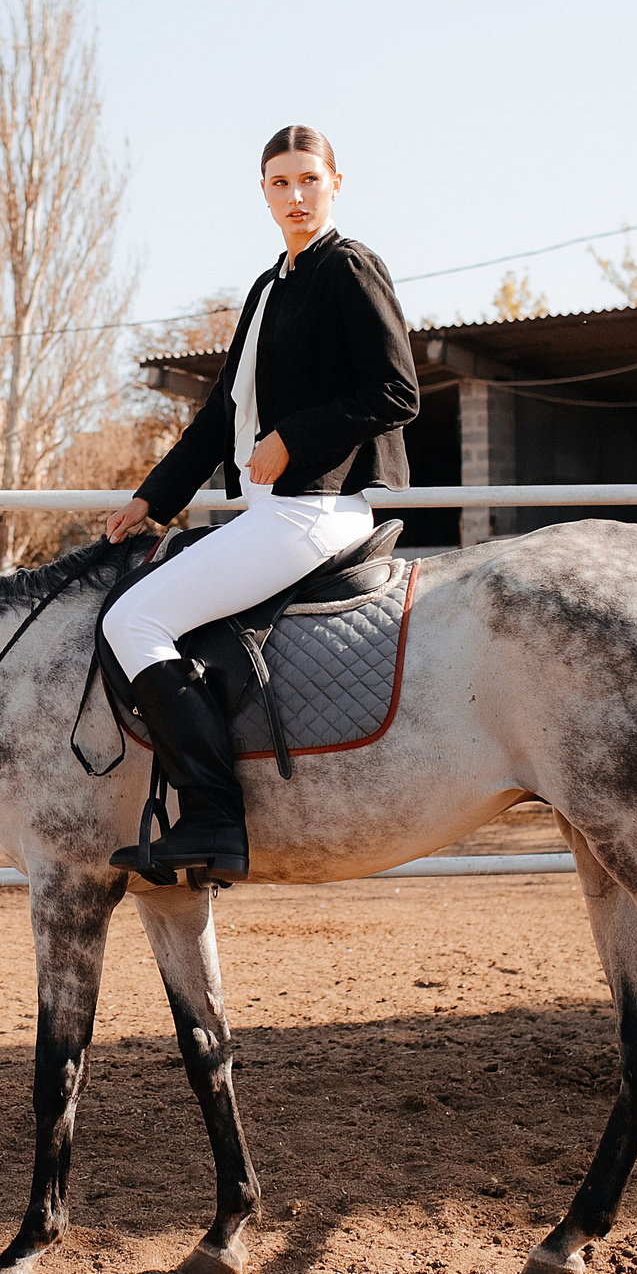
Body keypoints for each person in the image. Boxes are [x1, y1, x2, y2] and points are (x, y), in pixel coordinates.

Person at [99, 125, 421, 879]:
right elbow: (220, 414)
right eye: (280, 183)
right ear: (265, 193)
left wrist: (293, 438)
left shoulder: (350, 267)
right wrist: (153, 497)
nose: (296, 195)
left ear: (336, 182)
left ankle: (212, 817)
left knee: (133, 618)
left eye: (309, 179)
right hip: (272, 512)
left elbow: (397, 389)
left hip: (314, 508)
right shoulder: (270, 283)